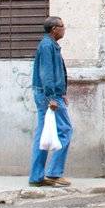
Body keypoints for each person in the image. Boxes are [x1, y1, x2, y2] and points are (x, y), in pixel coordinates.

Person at [28, 16, 72, 188]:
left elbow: (56, 72)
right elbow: (47, 74)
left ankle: (37, 176)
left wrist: (62, 93)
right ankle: (54, 173)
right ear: (54, 29)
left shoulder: (50, 45)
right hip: (48, 96)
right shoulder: (47, 46)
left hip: (51, 94)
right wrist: (52, 98)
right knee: (65, 130)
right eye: (62, 26)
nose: (64, 29)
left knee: (42, 135)